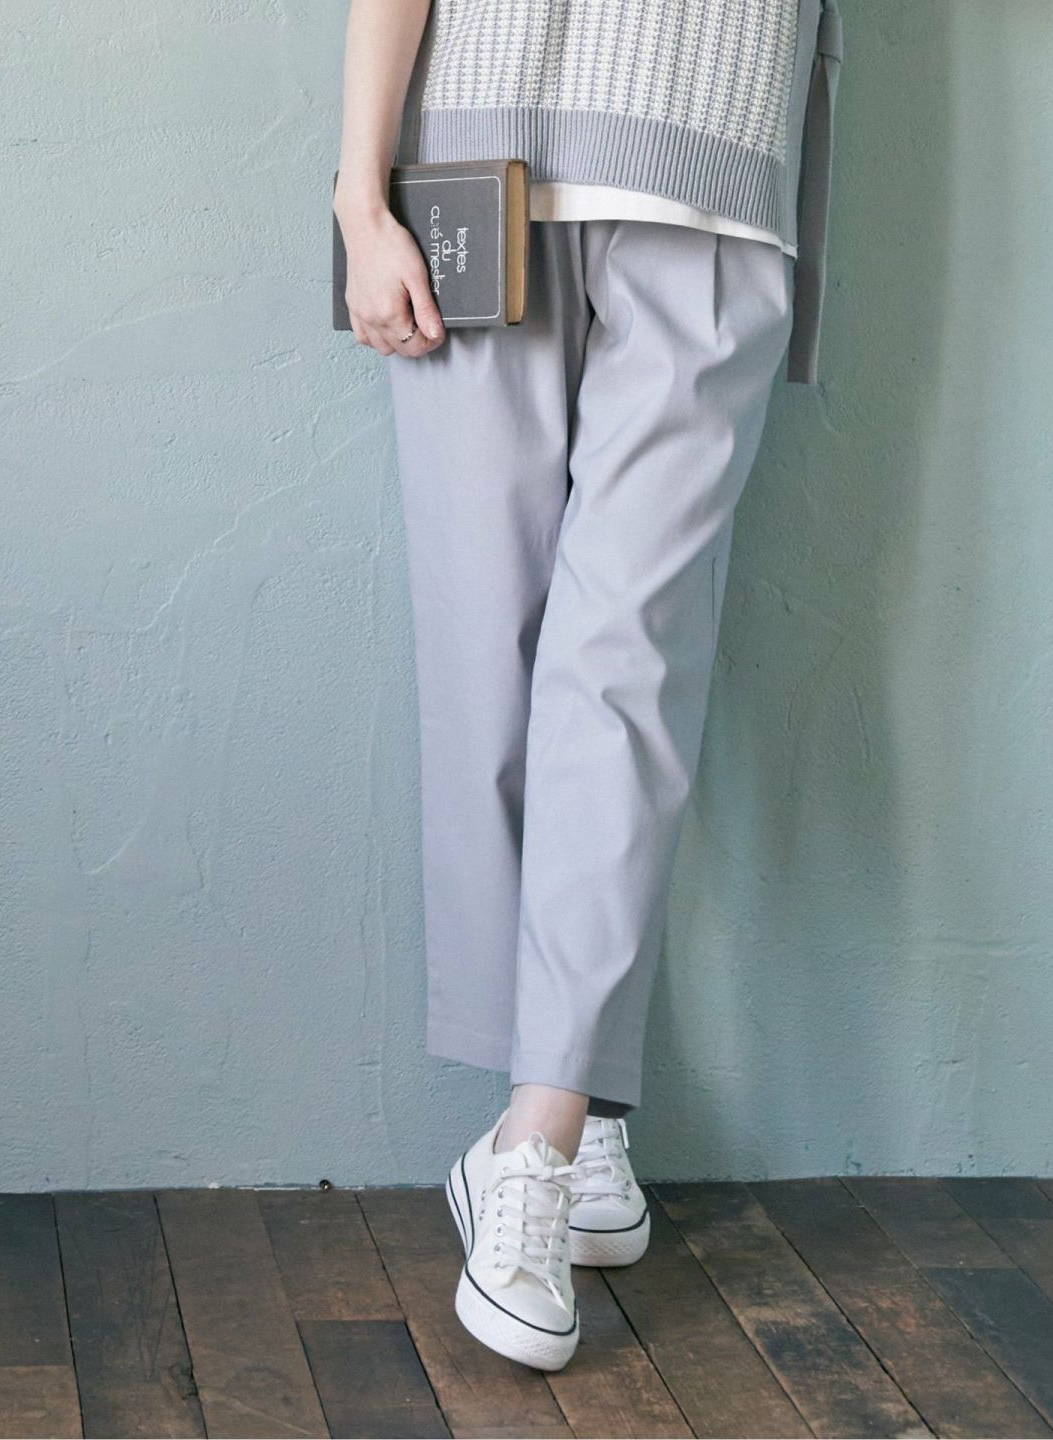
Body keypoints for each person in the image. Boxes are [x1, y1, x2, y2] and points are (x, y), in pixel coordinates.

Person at [334, 0, 842, 1372]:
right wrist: (359, 195)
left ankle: (540, 1136)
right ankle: (573, 1108)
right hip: (476, 158)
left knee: (627, 664)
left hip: (713, 164)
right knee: (485, 661)